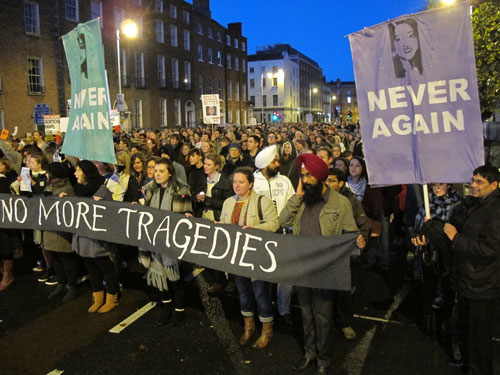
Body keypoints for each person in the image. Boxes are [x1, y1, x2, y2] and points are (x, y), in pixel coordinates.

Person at [279, 153, 363, 374]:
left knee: (323, 317)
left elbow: (350, 233)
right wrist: (296, 196)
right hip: (302, 267)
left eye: (308, 175)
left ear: (319, 176)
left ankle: (324, 360)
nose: (305, 180)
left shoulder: (340, 202)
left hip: (326, 269)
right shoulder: (301, 199)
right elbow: (283, 221)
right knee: (306, 314)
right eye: (302, 175)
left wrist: (357, 241)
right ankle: (310, 354)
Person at [442, 166, 500, 375]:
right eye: (473, 180)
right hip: (468, 279)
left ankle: (479, 369)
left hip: (482, 283)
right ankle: (468, 365)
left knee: (479, 335)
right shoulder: (476, 205)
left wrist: (456, 238)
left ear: (494, 185)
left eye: (479, 182)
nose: (473, 185)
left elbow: (491, 248)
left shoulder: (495, 210)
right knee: (467, 330)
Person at [219, 166, 279, 349]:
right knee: (243, 294)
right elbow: (223, 223)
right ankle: (249, 327)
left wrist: (256, 230)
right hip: (237, 257)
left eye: (241, 182)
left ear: (251, 184)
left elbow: (274, 224)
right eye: (235, 182)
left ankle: (267, 330)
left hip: (256, 256)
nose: (237, 185)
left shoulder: (263, 201)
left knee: (261, 294)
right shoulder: (228, 202)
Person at [140, 158, 193, 325]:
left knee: (174, 276)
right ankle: (166, 306)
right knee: (159, 274)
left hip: (171, 241)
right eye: (155, 171)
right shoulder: (149, 190)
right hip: (154, 240)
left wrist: (187, 217)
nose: (157, 174)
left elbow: (187, 212)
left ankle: (179, 309)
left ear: (170, 172)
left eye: (161, 171)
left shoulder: (181, 190)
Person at [253, 145, 296, 325]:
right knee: (262, 274)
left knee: (285, 274)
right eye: (274, 161)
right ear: (265, 163)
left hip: (284, 233)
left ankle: (284, 309)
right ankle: (264, 309)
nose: (278, 164)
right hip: (261, 234)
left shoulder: (285, 181)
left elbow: (293, 202)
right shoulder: (253, 181)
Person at [70, 160, 120, 313]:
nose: (75, 174)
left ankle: (112, 298)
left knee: (106, 269)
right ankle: (98, 297)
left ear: (85, 173)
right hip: (83, 238)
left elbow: (111, 214)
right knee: (92, 270)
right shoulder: (79, 189)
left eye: (78, 171)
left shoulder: (102, 191)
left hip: (98, 241)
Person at [325, 168, 369, 340]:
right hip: (326, 252)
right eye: (326, 180)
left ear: (341, 183)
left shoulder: (351, 201)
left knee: (343, 291)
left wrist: (360, 242)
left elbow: (362, 225)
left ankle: (345, 323)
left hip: (344, 254)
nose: (327, 184)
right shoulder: (321, 199)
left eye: (331, 181)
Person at [42, 162, 80, 302]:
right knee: (56, 258)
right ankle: (61, 283)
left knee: (66, 258)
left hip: (61, 231)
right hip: (51, 228)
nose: (46, 175)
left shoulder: (67, 189)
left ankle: (72, 286)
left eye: (49, 173)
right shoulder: (49, 187)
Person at [196, 153, 234, 292]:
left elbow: (227, 202)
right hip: (205, 219)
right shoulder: (202, 180)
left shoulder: (226, 182)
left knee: (224, 251)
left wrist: (207, 200)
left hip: (219, 220)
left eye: (208, 164)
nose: (205, 167)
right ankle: (218, 281)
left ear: (216, 167)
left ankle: (231, 281)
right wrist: (197, 198)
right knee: (209, 252)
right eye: (205, 163)